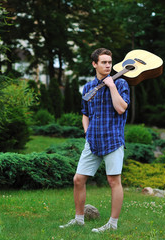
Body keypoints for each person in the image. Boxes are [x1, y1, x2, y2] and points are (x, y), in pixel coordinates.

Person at [59, 48, 130, 233]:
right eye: (104, 62)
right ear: (94, 64)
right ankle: (79, 220)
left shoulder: (120, 83)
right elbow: (85, 114)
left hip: (113, 140)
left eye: (110, 62)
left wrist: (111, 86)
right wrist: (87, 132)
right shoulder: (88, 88)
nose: (108, 65)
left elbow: (121, 108)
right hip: (93, 141)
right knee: (78, 179)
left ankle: (112, 224)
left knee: (114, 181)